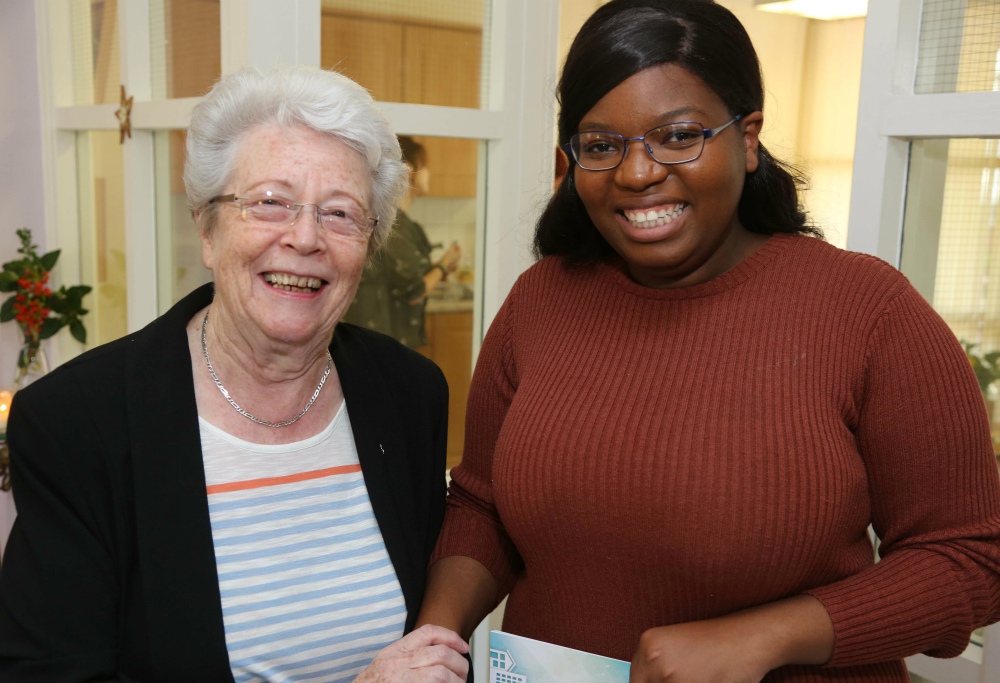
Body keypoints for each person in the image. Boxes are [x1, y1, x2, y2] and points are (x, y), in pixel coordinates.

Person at [416, 2, 1000, 682]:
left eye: (679, 136)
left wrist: (766, 636)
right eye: (602, 145)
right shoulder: (540, 300)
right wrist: (434, 636)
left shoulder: (868, 311)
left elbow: (970, 556)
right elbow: (483, 501)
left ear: (747, 138)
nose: (637, 173)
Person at [0, 66, 469, 683]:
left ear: (370, 245)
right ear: (207, 227)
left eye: (340, 214)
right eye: (270, 202)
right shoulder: (78, 424)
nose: (305, 238)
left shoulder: (408, 394)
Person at [343, 136, 461, 349]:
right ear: (409, 170)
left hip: (380, 341)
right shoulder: (393, 226)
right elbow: (414, 291)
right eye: (425, 167)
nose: (429, 174)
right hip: (382, 343)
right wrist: (444, 264)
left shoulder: (399, 222)